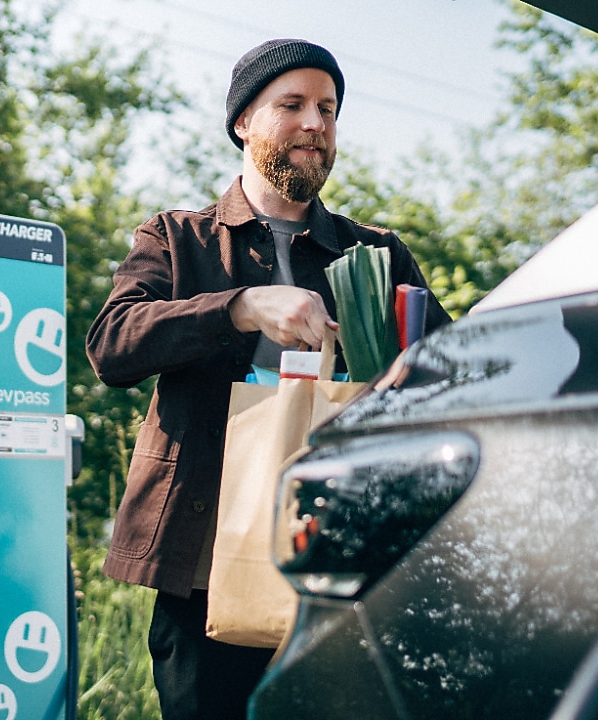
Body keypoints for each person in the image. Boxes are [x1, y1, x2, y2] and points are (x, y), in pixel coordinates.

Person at [85, 38, 451, 720]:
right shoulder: (177, 238)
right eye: (293, 105)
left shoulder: (379, 255)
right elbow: (112, 345)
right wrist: (240, 307)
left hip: (343, 567)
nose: (316, 123)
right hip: (205, 571)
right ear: (242, 124)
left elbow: (452, 376)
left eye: (329, 108)